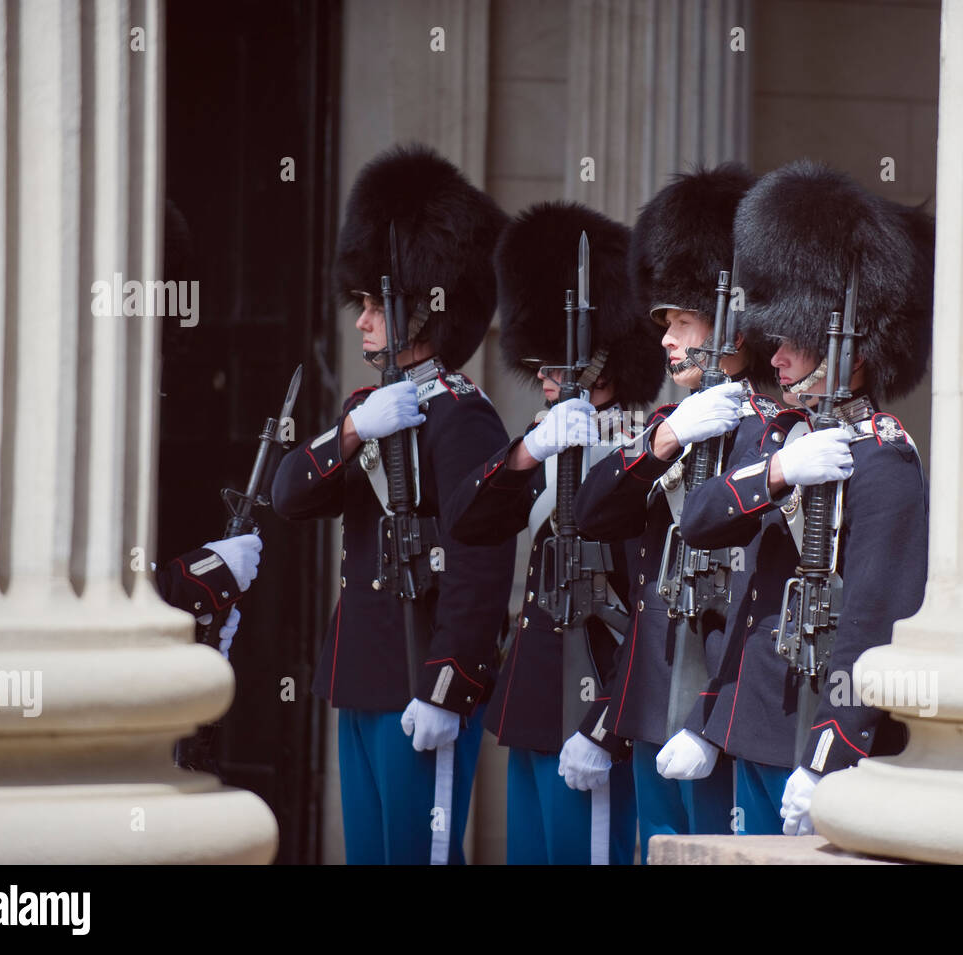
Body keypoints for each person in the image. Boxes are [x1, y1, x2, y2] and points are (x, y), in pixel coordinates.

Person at [270, 144, 514, 864]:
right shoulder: (366, 411)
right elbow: (289, 494)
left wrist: (448, 684)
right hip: (363, 678)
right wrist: (351, 430)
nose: (363, 322)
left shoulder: (465, 418)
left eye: (377, 305)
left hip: (421, 679)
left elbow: (480, 559)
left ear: (420, 309)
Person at [676, 159, 935, 836]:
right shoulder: (788, 439)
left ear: (850, 352)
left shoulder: (885, 461)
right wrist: (781, 471)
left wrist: (829, 754)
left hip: (813, 736)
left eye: (798, 340)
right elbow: (701, 522)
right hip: (751, 727)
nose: (779, 355)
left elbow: (873, 623)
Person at [568, 165, 784, 862]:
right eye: (665, 322)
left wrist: (711, 718)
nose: (665, 338)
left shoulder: (775, 429)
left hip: (724, 710)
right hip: (656, 699)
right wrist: (666, 439)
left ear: (730, 319)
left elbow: (764, 597)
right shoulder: (673, 420)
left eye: (682, 321)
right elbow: (593, 511)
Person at [444, 201, 664, 865]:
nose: (541, 378)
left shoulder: (640, 454)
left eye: (553, 366)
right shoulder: (552, 445)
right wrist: (525, 453)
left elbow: (649, 610)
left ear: (602, 364)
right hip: (536, 704)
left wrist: (604, 728)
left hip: (592, 707)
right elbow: (467, 521)